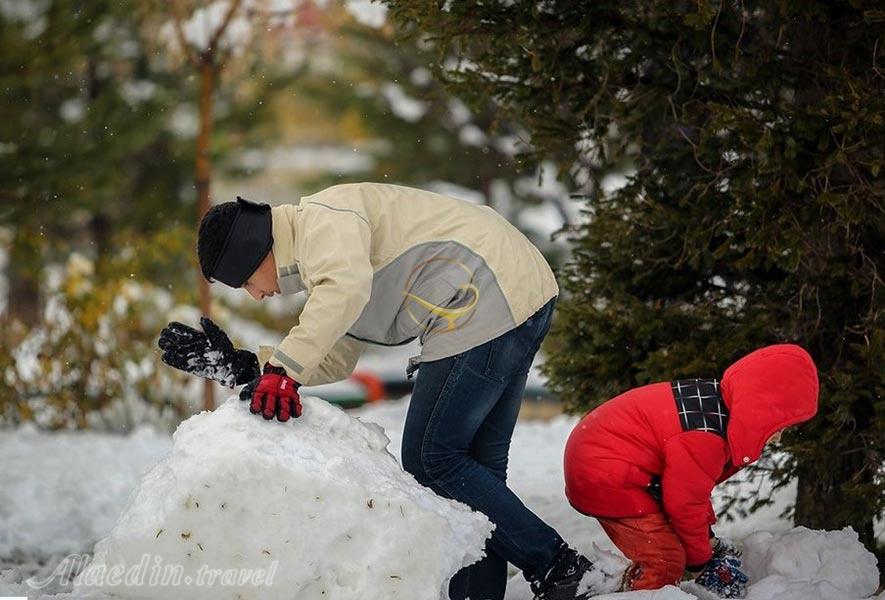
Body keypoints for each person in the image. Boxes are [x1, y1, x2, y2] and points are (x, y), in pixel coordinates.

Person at [157, 183, 616, 600]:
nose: (255, 296)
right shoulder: (329, 262)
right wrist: (247, 365)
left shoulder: (323, 221)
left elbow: (344, 293)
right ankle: (480, 591)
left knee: (432, 458)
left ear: (252, 253)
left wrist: (284, 369)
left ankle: (560, 567)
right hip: (513, 292)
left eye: (243, 283)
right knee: (475, 468)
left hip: (485, 294)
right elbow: (338, 352)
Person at [563, 344, 819, 598]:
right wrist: (701, 565)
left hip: (611, 464)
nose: (779, 438)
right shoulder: (706, 437)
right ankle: (636, 593)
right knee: (665, 560)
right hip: (602, 473)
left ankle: (629, 584)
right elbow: (684, 504)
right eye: (780, 425)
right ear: (761, 411)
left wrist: (705, 539)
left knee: (676, 548)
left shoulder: (715, 405)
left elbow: (691, 489)